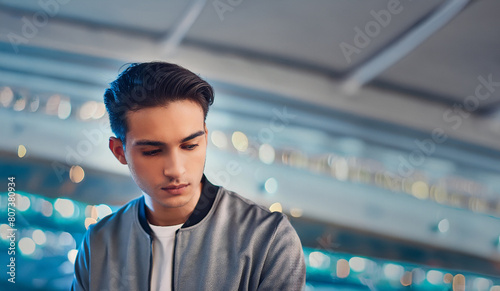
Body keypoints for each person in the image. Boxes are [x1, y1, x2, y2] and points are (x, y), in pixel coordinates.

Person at [71, 61, 306, 291]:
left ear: (205, 136)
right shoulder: (99, 243)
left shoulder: (267, 240)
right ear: (119, 152)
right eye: (152, 151)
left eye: (190, 145)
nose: (175, 170)